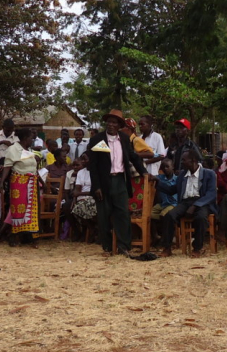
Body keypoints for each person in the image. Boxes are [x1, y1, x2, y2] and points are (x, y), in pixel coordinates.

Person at [87, 110, 148, 256]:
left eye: (114, 122)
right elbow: (93, 166)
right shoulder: (97, 140)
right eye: (109, 122)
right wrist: (96, 186)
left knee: (122, 214)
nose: (111, 125)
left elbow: (133, 156)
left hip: (120, 180)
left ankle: (124, 246)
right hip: (104, 182)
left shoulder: (125, 139)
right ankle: (107, 247)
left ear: (120, 125)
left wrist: (144, 173)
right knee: (104, 215)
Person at [154, 151, 217, 258]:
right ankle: (167, 248)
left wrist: (195, 206)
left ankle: (197, 248)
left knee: (201, 218)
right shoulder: (183, 174)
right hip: (185, 202)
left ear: (194, 161)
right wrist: (157, 182)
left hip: (202, 202)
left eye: (184, 160)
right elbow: (172, 190)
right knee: (169, 216)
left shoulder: (208, 173)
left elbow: (211, 194)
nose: (181, 162)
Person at [0, 127, 42, 247]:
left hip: (32, 183)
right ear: (24, 138)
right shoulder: (13, 149)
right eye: (30, 138)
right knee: (18, 211)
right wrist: (1, 182)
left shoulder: (28, 150)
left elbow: (33, 167)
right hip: (19, 183)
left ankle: (31, 238)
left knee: (32, 212)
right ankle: (14, 235)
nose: (32, 140)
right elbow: (7, 166)